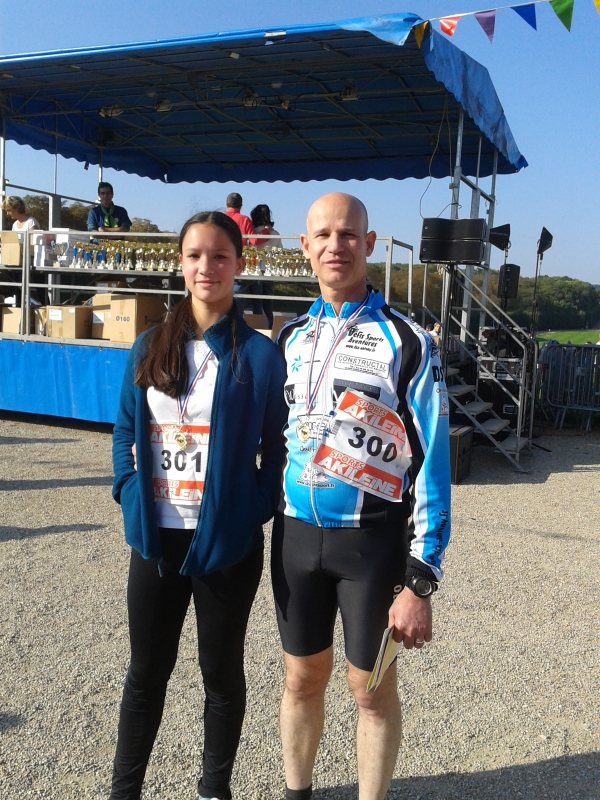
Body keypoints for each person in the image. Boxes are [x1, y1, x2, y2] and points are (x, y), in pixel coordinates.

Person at [273, 192, 451, 800]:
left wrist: (421, 578)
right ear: (304, 246)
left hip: (372, 545)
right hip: (296, 539)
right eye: (322, 235)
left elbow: (433, 461)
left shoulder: (408, 341)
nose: (335, 246)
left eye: (348, 234)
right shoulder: (289, 337)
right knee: (301, 680)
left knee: (370, 692)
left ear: (369, 244)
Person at [110, 210, 288, 800]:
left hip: (226, 544)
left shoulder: (259, 355)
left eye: (219, 256)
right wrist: (128, 491)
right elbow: (124, 431)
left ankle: (214, 791)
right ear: (180, 263)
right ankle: (124, 792)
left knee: (221, 675)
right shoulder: (149, 344)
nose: (206, 266)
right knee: (145, 674)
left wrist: (253, 507)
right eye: (194, 255)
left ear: (239, 264)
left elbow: (277, 446)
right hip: (156, 539)